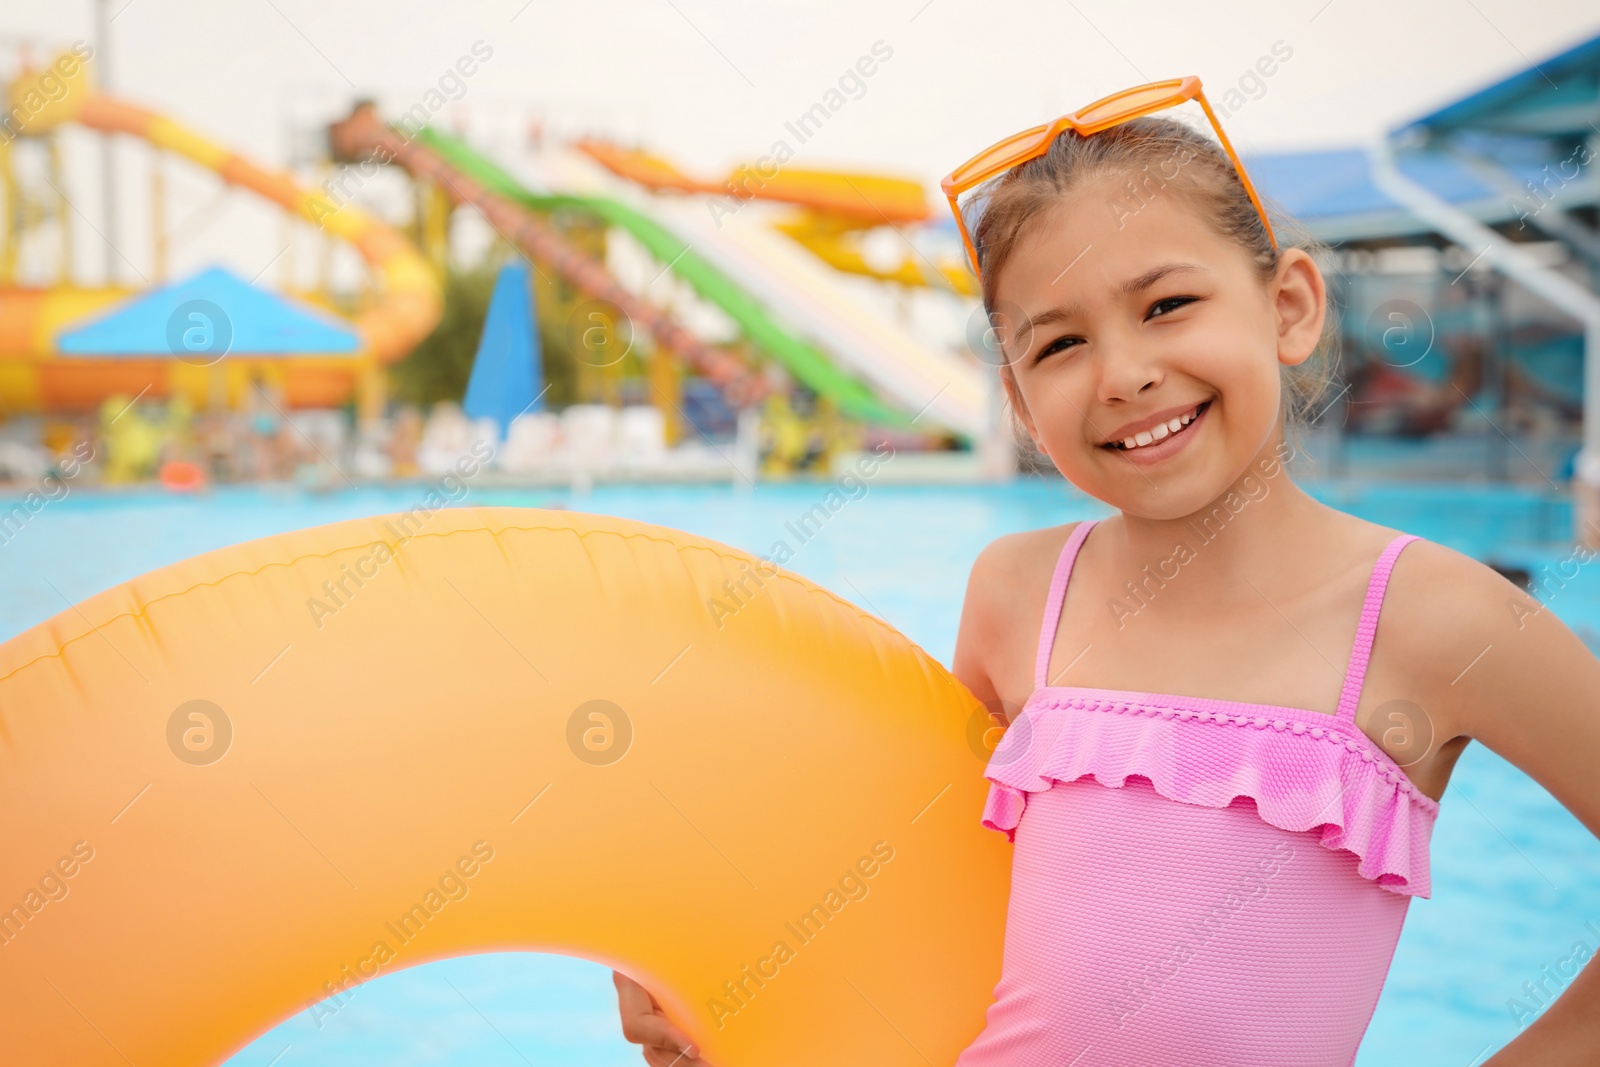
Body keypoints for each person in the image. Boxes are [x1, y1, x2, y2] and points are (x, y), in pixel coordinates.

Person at [615, 79, 1600, 1065]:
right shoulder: (1014, 595)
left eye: (1166, 304)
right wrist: (721, 1006)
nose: (1121, 372)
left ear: (1288, 306)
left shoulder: (1431, 618)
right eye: (1060, 343)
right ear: (1018, 398)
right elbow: (923, 910)